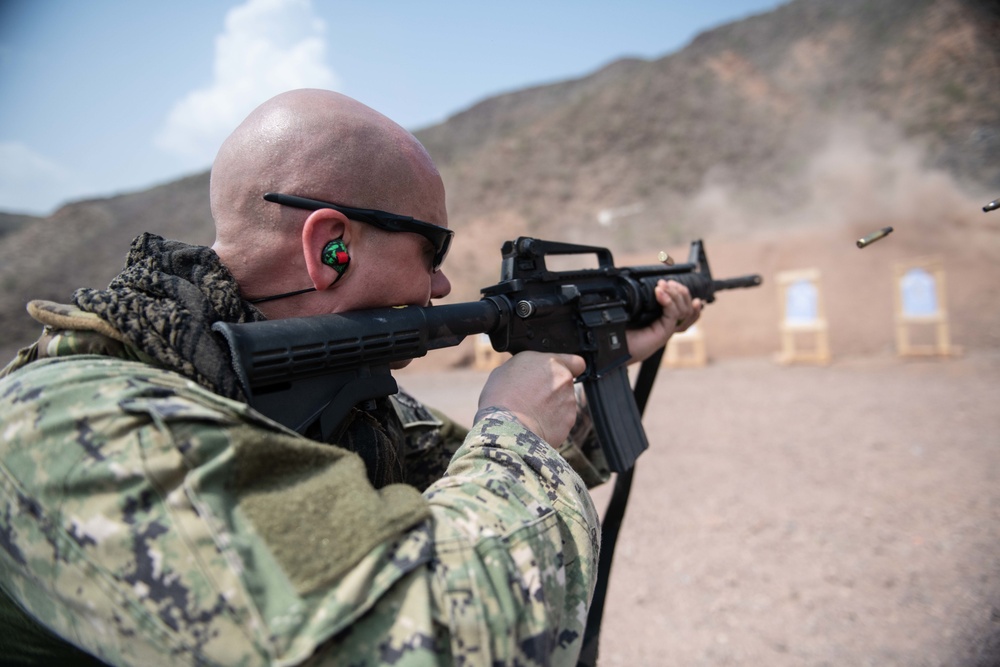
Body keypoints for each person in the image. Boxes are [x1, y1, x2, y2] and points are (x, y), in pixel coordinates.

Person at [0, 88, 702, 666]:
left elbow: (460, 470)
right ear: (329, 246)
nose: (442, 282)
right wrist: (515, 434)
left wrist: (607, 352)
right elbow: (425, 635)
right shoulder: (85, 426)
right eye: (432, 249)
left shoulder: (308, 385)